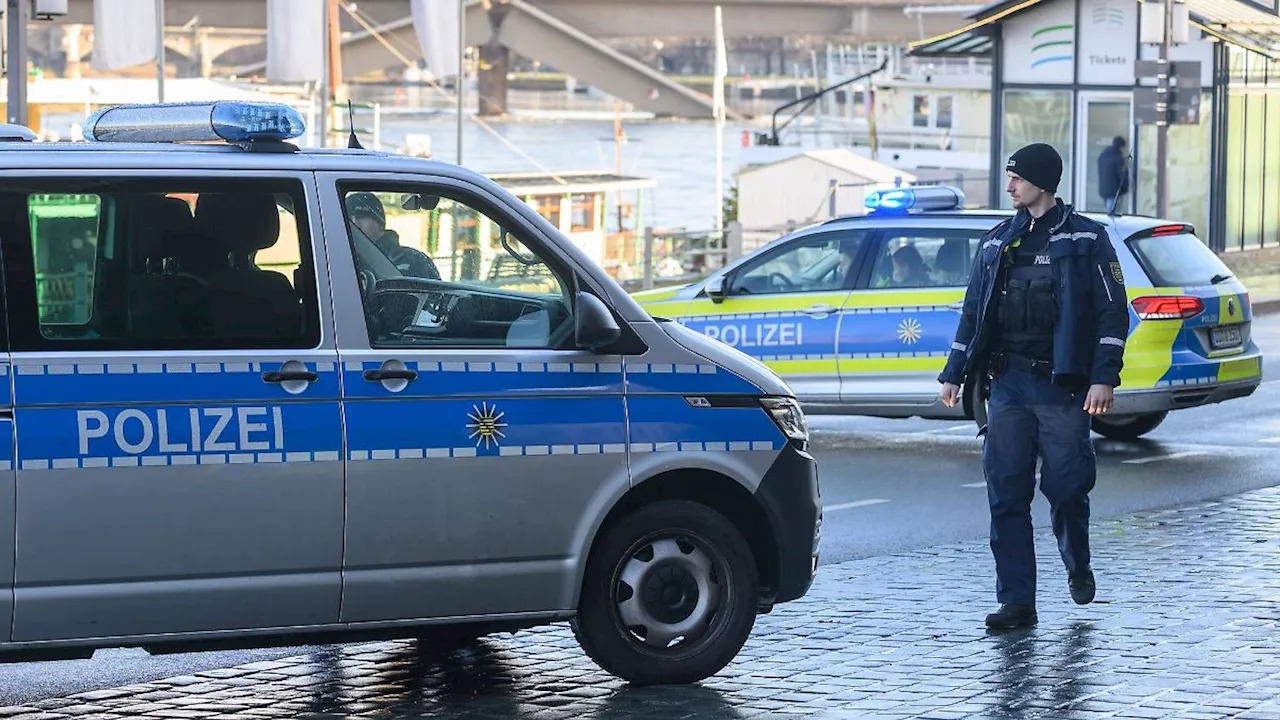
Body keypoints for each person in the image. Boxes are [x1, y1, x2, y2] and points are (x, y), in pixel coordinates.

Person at [937, 143, 1129, 631]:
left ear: (1042, 182)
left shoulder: (1087, 238)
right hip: (1007, 386)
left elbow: (1113, 312)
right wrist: (954, 372)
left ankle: (1077, 560)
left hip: (1061, 387)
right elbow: (974, 311)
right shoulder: (999, 240)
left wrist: (1104, 377)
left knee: (1066, 490)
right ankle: (1017, 602)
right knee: (1005, 494)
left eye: (1016, 178)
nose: (1009, 187)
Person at [346, 192, 441, 280]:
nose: (354, 224)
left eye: (361, 217)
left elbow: (437, 297)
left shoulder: (414, 260)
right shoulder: (340, 262)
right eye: (349, 220)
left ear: (380, 224)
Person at [1097, 136, 1129, 215]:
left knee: (1109, 211)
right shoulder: (1118, 158)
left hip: (1104, 190)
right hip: (1115, 191)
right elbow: (1123, 176)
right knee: (1113, 215)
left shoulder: (1103, 155)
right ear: (1121, 147)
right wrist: (1124, 189)